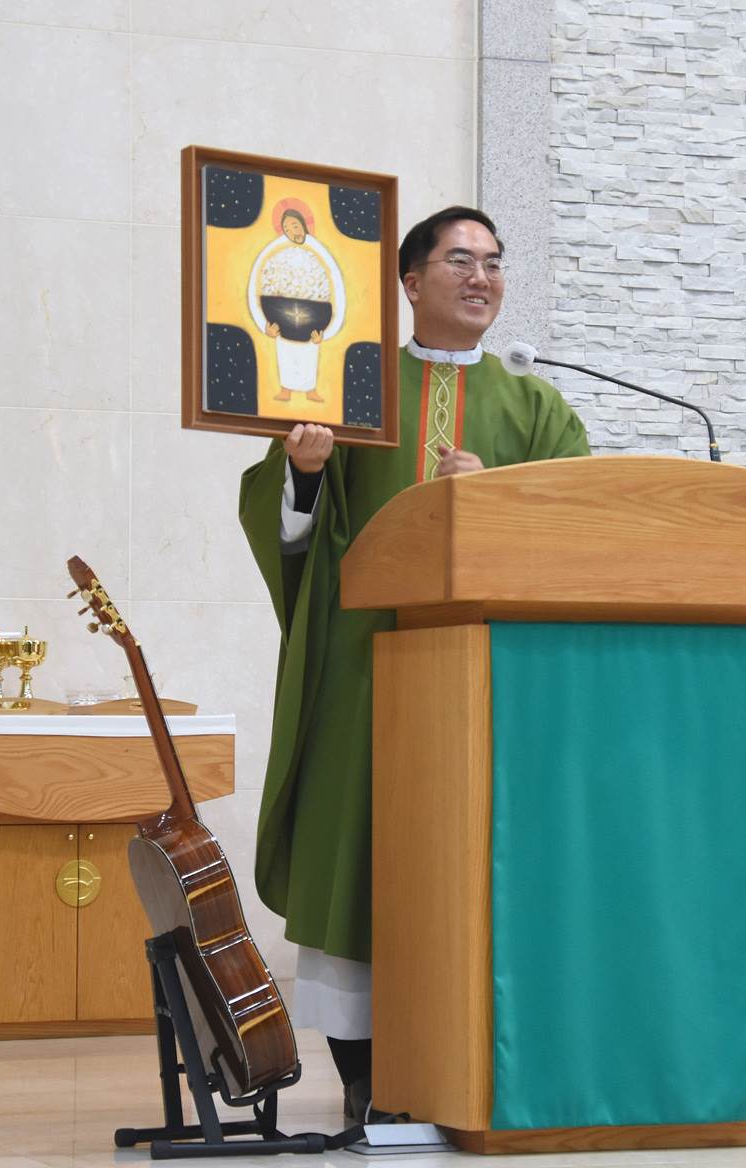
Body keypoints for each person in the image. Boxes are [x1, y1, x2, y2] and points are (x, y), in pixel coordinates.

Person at [237, 206, 590, 1119]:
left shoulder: (538, 408)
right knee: (358, 862)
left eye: (495, 263)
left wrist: (498, 501)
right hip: (368, 677)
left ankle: (481, 1067)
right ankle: (365, 1081)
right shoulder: (354, 391)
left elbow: (580, 529)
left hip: (496, 684)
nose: (482, 278)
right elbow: (292, 530)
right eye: (461, 260)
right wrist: (305, 474)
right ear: (409, 281)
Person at [247, 202, 346, 404]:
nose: (292, 232)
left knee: (309, 352)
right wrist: (264, 326)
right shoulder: (275, 250)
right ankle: (286, 389)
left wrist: (328, 332)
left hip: (314, 311)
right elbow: (254, 285)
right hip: (280, 310)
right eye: (287, 228)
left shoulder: (318, 250)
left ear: (304, 224)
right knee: (285, 351)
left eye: (295, 226)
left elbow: (337, 287)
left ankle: (310, 389)